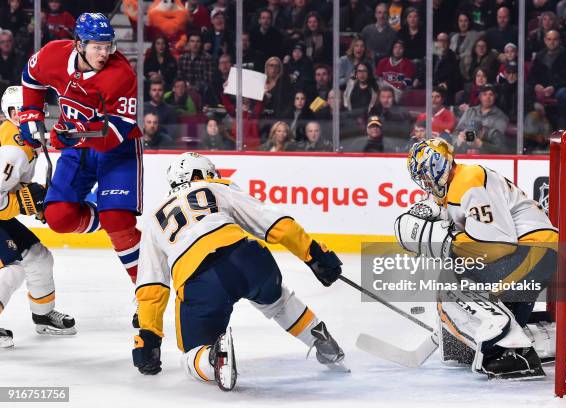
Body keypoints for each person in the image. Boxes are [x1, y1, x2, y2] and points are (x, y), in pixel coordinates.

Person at [131, 153, 346, 390]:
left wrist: (149, 336)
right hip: (249, 258)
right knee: (279, 302)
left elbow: (152, 285)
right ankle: (321, 340)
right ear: (200, 173)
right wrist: (314, 254)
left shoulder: (153, 220)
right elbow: (273, 222)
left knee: (191, 354)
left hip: (199, 280)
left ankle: (214, 357)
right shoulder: (217, 188)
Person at [396, 138, 557, 379]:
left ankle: (511, 351)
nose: (425, 183)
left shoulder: (468, 180)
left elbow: (498, 246)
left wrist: (447, 242)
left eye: (425, 175)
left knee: (451, 283)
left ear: (437, 166)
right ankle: (544, 337)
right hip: (534, 255)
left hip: (535, 252)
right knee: (458, 275)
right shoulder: (455, 186)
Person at [18, 14, 143, 305]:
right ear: (79, 44)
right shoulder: (53, 55)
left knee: (119, 219)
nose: (104, 53)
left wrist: (74, 133)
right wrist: (31, 113)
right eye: (97, 46)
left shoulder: (121, 74)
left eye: (108, 46)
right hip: (77, 149)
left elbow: (116, 131)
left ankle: (146, 288)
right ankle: (108, 218)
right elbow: (31, 77)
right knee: (58, 218)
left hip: (118, 150)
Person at [0, 86, 76, 348]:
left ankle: (42, 316)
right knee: (11, 270)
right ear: (14, 113)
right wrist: (23, 203)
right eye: (31, 110)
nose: (39, 116)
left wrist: (35, 202)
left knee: (38, 257)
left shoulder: (23, 141)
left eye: (40, 110)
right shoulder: (12, 150)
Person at [527, 29, 566, 129]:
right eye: (549, 39)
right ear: (545, 40)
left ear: (559, 41)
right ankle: (531, 131)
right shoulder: (539, 56)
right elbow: (532, 76)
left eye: (555, 39)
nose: (552, 42)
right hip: (543, 89)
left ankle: (563, 127)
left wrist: (554, 87)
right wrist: (536, 85)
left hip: (561, 87)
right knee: (525, 90)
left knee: (563, 94)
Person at [453, 84, 508, 154]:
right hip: (464, 150)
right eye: (484, 94)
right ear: (480, 97)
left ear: (495, 97)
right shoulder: (470, 111)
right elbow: (456, 132)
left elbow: (498, 141)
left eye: (491, 94)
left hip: (487, 154)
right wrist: (458, 140)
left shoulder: (501, 116)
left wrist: (480, 143)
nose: (488, 97)